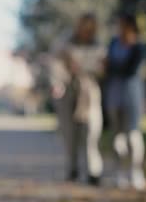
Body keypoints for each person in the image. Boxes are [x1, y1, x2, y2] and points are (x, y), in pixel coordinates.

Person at [51, 13, 105, 186]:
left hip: (89, 92)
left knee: (91, 133)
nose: (86, 32)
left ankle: (93, 171)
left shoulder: (97, 45)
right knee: (69, 134)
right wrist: (58, 82)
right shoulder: (66, 42)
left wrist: (86, 68)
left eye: (90, 29)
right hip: (68, 90)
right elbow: (55, 64)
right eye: (84, 28)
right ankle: (72, 169)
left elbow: (102, 69)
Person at [105, 14, 146, 190]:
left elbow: (131, 69)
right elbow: (107, 68)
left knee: (133, 134)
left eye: (122, 25)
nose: (120, 29)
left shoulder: (139, 46)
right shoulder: (113, 43)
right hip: (115, 93)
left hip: (132, 93)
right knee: (117, 135)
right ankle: (119, 172)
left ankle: (136, 171)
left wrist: (114, 66)